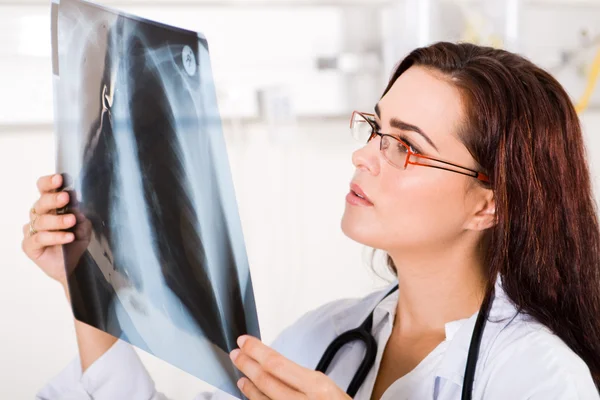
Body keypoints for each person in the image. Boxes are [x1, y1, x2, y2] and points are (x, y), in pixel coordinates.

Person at [24, 42, 600, 400]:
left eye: (405, 146)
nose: (364, 154)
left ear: (488, 203)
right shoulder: (325, 337)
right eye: (376, 128)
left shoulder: (538, 376)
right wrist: (88, 283)